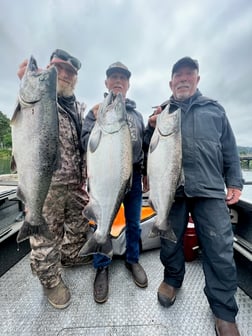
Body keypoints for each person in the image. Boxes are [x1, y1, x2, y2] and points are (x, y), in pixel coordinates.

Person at [144, 57, 243, 336]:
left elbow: (229, 149)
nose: (184, 79)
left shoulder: (215, 109)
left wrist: (234, 181)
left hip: (210, 190)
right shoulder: (161, 112)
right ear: (171, 82)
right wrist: (150, 128)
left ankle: (224, 312)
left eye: (189, 74)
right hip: (171, 192)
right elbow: (144, 151)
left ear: (197, 80)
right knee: (169, 242)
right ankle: (172, 280)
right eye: (178, 75)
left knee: (219, 251)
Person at [16, 49, 92, 309]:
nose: (66, 76)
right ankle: (50, 280)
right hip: (45, 186)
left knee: (82, 227)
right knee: (45, 239)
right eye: (60, 70)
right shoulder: (39, 98)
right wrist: (24, 79)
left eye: (71, 73)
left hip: (76, 185)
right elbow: (23, 115)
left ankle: (70, 256)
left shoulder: (80, 107)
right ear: (49, 70)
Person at [81, 61, 148, 303]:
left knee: (134, 225)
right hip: (104, 178)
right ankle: (101, 266)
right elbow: (85, 142)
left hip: (133, 179)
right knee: (101, 222)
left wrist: (147, 172)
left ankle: (133, 260)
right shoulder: (96, 111)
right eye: (114, 77)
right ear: (106, 83)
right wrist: (97, 123)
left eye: (123, 77)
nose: (118, 81)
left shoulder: (137, 115)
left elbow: (145, 146)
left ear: (129, 84)